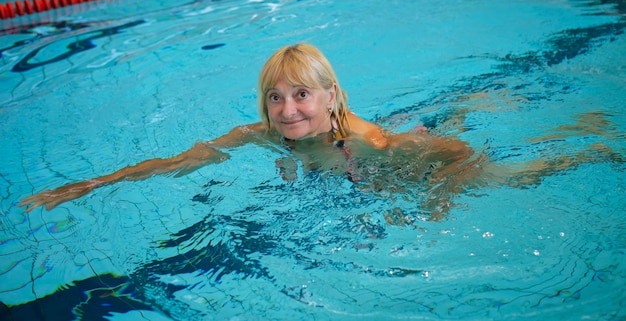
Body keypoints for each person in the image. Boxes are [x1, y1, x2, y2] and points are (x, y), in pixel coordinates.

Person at [19, 43, 477, 213]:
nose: (287, 110)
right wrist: (97, 182)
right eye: (275, 97)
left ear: (330, 96)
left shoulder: (370, 141)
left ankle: (473, 103)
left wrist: (442, 198)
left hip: (387, 156)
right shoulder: (263, 133)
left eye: (301, 95)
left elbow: (461, 155)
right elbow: (186, 159)